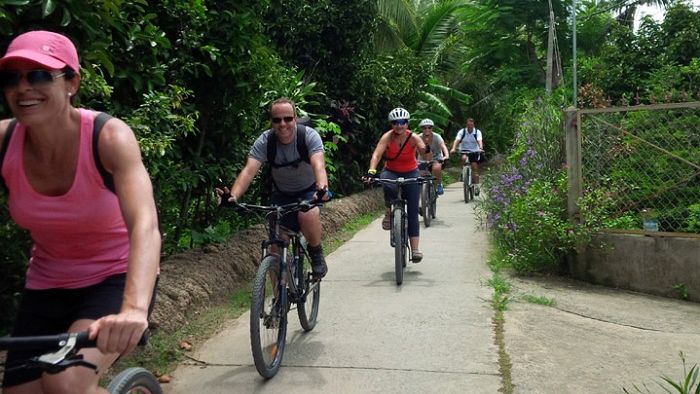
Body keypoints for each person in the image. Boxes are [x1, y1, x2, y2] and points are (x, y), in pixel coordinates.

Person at [0, 31, 160, 393]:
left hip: (114, 278)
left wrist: (133, 309)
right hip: (47, 283)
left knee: (65, 382)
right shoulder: (4, 141)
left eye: (39, 75)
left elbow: (145, 224)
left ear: (72, 82)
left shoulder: (108, 137)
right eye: (12, 78)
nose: (23, 88)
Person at [219, 98, 331, 278]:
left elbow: (319, 165)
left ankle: (316, 251)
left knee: (308, 213)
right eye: (277, 120)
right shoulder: (265, 142)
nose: (282, 124)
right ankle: (279, 301)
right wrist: (233, 196)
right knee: (276, 248)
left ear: (295, 118)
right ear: (271, 122)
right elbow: (248, 171)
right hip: (282, 194)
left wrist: (322, 189)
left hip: (309, 191)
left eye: (287, 118)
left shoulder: (308, 136)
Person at [364, 107, 430, 262]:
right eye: (395, 123)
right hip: (391, 171)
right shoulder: (387, 137)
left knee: (413, 212)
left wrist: (426, 149)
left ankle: (415, 250)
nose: (399, 126)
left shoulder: (413, 137)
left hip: (411, 172)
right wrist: (371, 171)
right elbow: (377, 154)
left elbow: (424, 152)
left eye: (402, 122)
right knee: (387, 184)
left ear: (407, 123)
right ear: (391, 124)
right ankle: (388, 212)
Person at [450, 118, 484, 194]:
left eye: (471, 125)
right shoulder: (462, 132)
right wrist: (453, 148)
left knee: (474, 167)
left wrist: (481, 148)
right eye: (468, 125)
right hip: (464, 150)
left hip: (474, 151)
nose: (470, 127)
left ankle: (476, 186)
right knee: (464, 158)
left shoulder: (477, 132)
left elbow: (479, 140)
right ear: (466, 125)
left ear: (473, 125)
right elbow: (457, 140)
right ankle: (463, 173)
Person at [417, 118, 449, 195]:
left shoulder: (437, 137)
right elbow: (413, 149)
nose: (427, 129)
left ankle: (439, 184)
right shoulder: (418, 137)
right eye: (424, 127)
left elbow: (443, 146)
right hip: (423, 159)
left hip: (436, 157)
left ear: (432, 128)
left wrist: (446, 156)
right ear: (422, 129)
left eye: (429, 127)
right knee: (419, 174)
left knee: (436, 168)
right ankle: (422, 193)